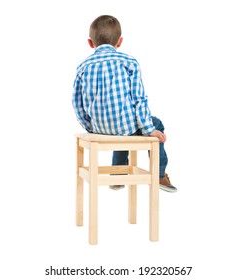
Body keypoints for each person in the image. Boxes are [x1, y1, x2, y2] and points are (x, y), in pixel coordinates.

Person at [72, 15, 177, 193]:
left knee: (122, 128)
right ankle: (159, 174)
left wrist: (90, 126)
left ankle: (117, 176)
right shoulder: (129, 63)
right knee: (155, 123)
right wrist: (149, 129)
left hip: (98, 128)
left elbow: (77, 102)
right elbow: (139, 99)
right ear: (119, 42)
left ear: (90, 43)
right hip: (125, 126)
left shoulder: (83, 67)